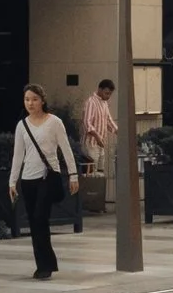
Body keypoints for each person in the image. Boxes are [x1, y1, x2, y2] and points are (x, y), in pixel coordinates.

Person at [9, 82, 79, 281]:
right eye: (27, 99)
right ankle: (42, 264)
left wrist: (73, 175)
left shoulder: (54, 122)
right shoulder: (22, 125)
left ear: (42, 100)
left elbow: (66, 149)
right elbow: (17, 155)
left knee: (40, 217)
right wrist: (12, 181)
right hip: (28, 178)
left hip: (48, 177)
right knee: (34, 222)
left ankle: (47, 264)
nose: (30, 103)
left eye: (34, 99)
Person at [83, 77, 117, 171]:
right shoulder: (91, 102)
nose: (108, 96)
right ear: (100, 89)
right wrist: (97, 137)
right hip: (91, 144)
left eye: (110, 94)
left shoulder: (104, 103)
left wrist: (118, 131)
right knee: (91, 172)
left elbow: (108, 120)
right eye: (106, 93)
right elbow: (87, 123)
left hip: (101, 143)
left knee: (100, 171)